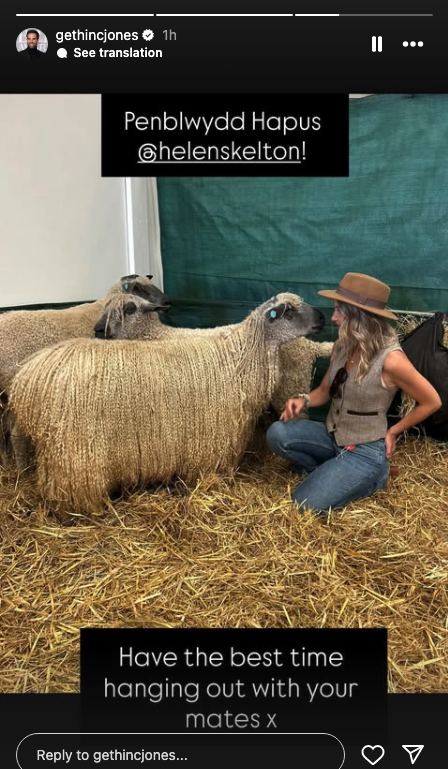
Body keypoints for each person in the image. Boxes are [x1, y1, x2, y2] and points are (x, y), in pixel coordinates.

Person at [266, 272, 442, 516]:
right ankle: (330, 471)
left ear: (359, 316)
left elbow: (432, 401)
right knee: (277, 433)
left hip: (365, 450)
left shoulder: (391, 359)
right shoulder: (343, 345)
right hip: (333, 436)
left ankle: (374, 476)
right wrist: (303, 400)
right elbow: (325, 391)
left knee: (303, 505)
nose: (334, 317)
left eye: (339, 310)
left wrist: (393, 431)